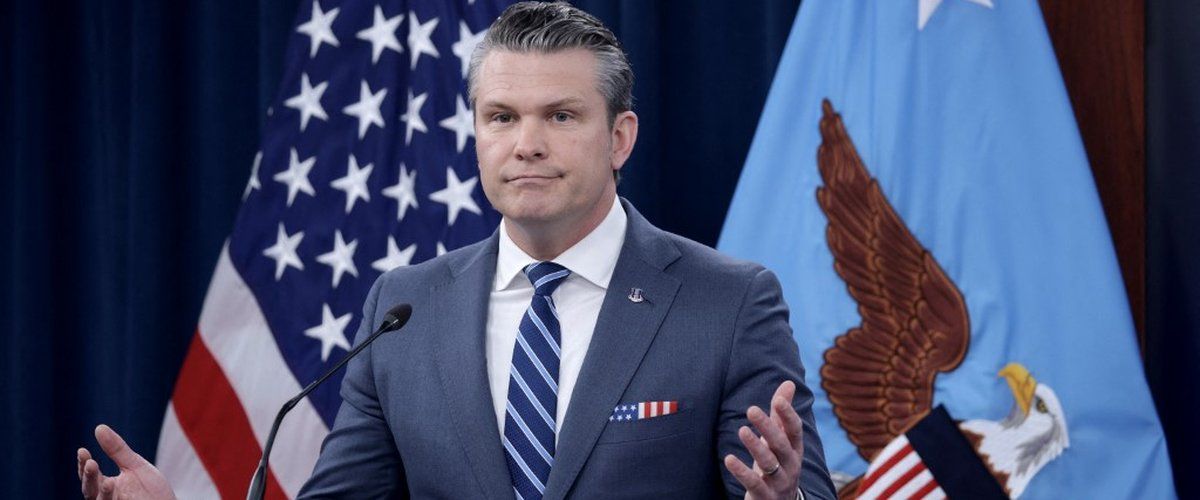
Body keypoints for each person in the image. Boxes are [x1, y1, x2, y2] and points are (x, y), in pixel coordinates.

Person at [77, 2, 836, 498]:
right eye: (501, 116)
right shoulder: (404, 307)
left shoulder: (728, 302)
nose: (526, 144)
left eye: (561, 116)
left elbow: (795, 486)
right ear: (475, 133)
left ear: (620, 137)